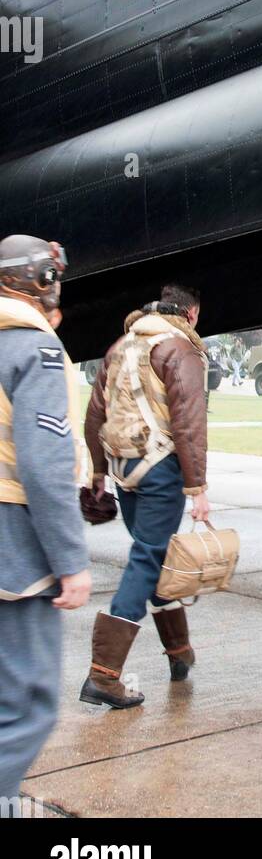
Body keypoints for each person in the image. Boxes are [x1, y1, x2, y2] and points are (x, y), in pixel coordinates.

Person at [80, 283, 209, 708]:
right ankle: (104, 674)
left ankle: (179, 654)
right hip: (160, 469)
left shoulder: (123, 344)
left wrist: (99, 471)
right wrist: (198, 490)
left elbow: (95, 412)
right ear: (190, 314)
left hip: (124, 467)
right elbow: (189, 423)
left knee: (153, 557)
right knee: (147, 559)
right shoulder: (179, 349)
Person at [0, 235, 91, 817]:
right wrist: (70, 561)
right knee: (30, 702)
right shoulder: (36, 349)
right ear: (43, 282)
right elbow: (45, 464)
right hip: (14, 541)